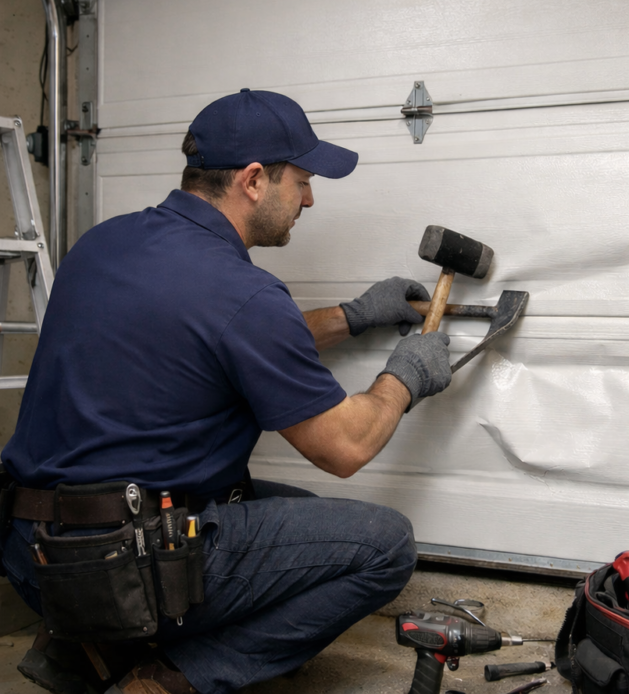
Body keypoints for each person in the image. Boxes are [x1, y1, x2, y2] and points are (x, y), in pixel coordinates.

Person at [0, 89, 453, 694]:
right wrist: (405, 376)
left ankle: (84, 645)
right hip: (120, 564)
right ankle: (174, 678)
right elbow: (346, 447)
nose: (311, 197)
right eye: (304, 179)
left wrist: (352, 315)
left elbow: (217, 341)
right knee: (384, 545)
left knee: (296, 512)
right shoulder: (243, 292)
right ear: (256, 180)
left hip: (36, 555)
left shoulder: (104, 244)